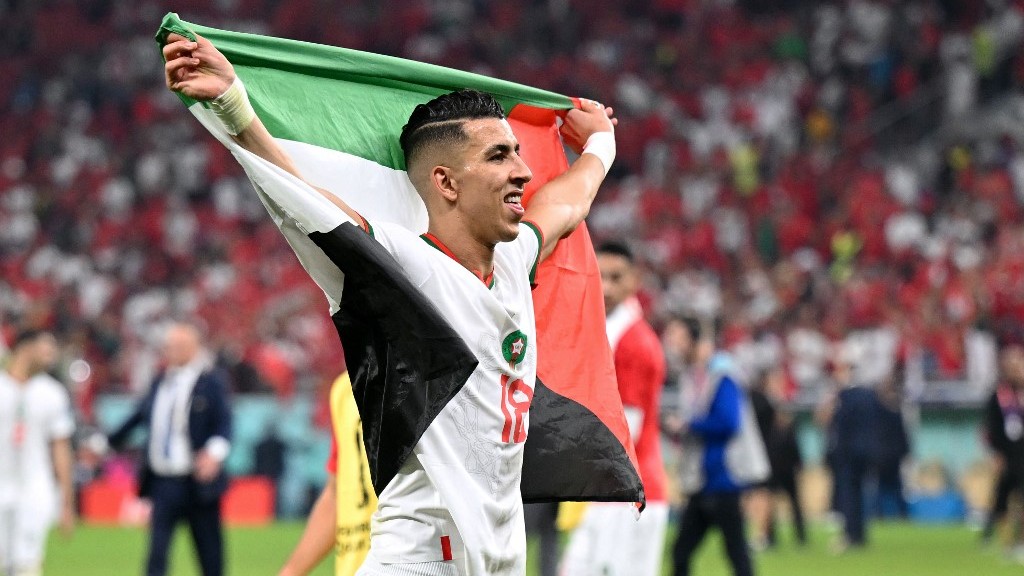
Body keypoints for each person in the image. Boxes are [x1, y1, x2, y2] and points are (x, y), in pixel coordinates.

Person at [161, 30, 615, 576]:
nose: (523, 171)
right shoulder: (404, 267)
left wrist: (601, 143)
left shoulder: (516, 258)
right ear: (445, 182)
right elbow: (305, 200)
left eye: (518, 153)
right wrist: (234, 103)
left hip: (499, 561)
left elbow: (568, 201)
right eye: (500, 156)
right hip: (420, 560)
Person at [559, 241, 668, 576]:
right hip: (609, 487)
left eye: (616, 277)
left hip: (630, 489)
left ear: (634, 279)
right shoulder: (609, 331)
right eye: (600, 276)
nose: (605, 286)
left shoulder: (634, 341)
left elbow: (628, 427)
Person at [99, 321, 232, 576]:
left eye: (179, 345)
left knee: (209, 553)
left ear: (194, 348)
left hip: (197, 482)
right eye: (169, 346)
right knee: (156, 554)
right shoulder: (161, 381)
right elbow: (137, 417)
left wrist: (214, 454)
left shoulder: (210, 382)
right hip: (162, 482)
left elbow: (224, 422)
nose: (172, 351)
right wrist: (104, 443)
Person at [665, 318, 757, 576]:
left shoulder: (721, 374)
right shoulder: (693, 376)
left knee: (735, 553)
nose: (672, 344)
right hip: (703, 479)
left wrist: (689, 425)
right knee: (681, 553)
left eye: (678, 337)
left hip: (723, 477)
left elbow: (729, 422)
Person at [279, 372, 376, 576]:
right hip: (354, 568)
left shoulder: (427, 379)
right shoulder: (344, 389)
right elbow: (337, 493)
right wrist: (290, 572)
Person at [0, 329, 76, 576]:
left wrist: (67, 501)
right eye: (46, 349)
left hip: (35, 489)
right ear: (25, 348)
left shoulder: (52, 393)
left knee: (26, 565)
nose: (51, 356)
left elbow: (61, 447)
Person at [818, 348, 880, 552]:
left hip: (847, 451)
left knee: (847, 494)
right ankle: (860, 534)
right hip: (867, 450)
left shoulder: (844, 396)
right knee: (860, 493)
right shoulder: (870, 395)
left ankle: (850, 535)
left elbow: (834, 423)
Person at [982, 341, 1024, 549]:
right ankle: (1002, 539)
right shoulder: (998, 395)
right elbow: (991, 427)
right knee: (1002, 497)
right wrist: (995, 453)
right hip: (1007, 454)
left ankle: (1019, 540)